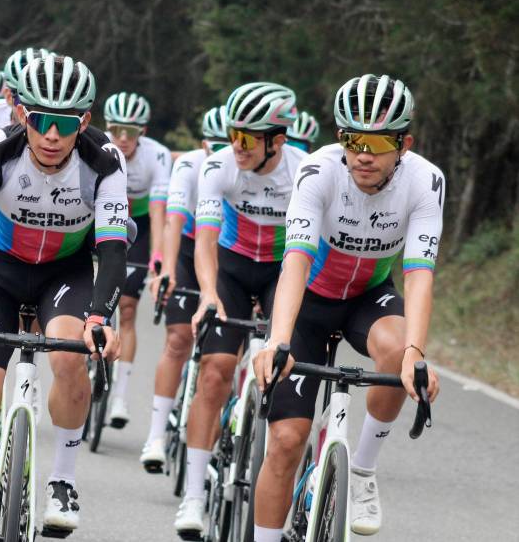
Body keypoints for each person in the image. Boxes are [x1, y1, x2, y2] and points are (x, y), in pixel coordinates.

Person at [0, 54, 127, 541]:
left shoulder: (104, 159)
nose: (52, 136)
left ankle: (62, 479)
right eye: (41, 120)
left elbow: (112, 248)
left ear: (83, 121)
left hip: (65, 275)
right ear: (22, 113)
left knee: (68, 356)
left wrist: (101, 317)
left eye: (64, 124)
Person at [251, 74, 442, 542]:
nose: (363, 153)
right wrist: (278, 339)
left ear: (404, 143)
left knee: (399, 351)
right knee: (286, 442)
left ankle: (361, 470)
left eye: (378, 142)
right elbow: (295, 261)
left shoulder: (426, 180)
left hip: (366, 297)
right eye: (352, 139)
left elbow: (418, 273)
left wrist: (416, 351)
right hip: (309, 303)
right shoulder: (318, 171)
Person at [176, 82, 305, 537]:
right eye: (234, 133)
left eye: (248, 138)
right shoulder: (219, 166)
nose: (237, 145)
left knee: (287, 364)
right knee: (214, 370)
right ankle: (192, 496)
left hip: (277, 273)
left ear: (278, 140)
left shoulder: (302, 173)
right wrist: (208, 293)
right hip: (229, 269)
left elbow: (311, 251)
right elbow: (205, 240)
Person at [140, 105, 229, 471]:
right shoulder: (190, 166)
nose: (224, 155)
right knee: (178, 339)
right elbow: (174, 221)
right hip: (191, 247)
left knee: (222, 356)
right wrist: (165, 268)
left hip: (228, 255)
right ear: (204, 146)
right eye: (215, 147)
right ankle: (156, 435)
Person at [103, 91, 172, 428]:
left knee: (127, 309)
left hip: (140, 226)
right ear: (107, 127)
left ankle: (120, 395)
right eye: (117, 129)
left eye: (131, 131)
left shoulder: (157, 157)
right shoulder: (98, 147)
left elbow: (159, 213)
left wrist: (157, 258)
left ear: (142, 131)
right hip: (101, 217)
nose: (124, 138)